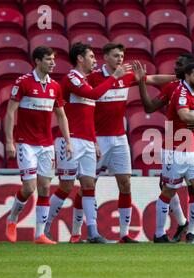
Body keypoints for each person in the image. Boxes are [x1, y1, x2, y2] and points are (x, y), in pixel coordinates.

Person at [50, 43, 176, 243]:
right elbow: (85, 105)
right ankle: (76, 233)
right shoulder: (90, 78)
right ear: (105, 57)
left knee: (125, 183)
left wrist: (179, 77)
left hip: (119, 138)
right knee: (85, 186)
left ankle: (124, 235)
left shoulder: (124, 76)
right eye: (116, 55)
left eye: (122, 55)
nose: (120, 59)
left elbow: (151, 79)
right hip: (95, 138)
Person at [134, 61, 194, 243]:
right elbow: (184, 115)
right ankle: (159, 233)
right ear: (187, 76)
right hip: (175, 149)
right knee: (168, 190)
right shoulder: (180, 91)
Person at [44, 42, 126, 244]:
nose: (94, 60)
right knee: (66, 186)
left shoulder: (86, 80)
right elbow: (94, 95)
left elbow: (89, 115)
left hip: (88, 141)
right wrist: (114, 77)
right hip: (70, 140)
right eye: (90, 56)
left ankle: (93, 232)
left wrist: (94, 140)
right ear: (80, 58)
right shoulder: (72, 78)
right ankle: (43, 229)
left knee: (89, 185)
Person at [5, 46, 72, 244]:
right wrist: (10, 141)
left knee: (44, 188)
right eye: (48, 59)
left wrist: (68, 141)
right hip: (26, 143)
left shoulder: (55, 86)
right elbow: (10, 113)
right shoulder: (23, 83)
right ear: (37, 61)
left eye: (53, 59)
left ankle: (39, 235)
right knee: (29, 187)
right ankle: (12, 218)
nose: (52, 63)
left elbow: (61, 115)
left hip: (47, 145)